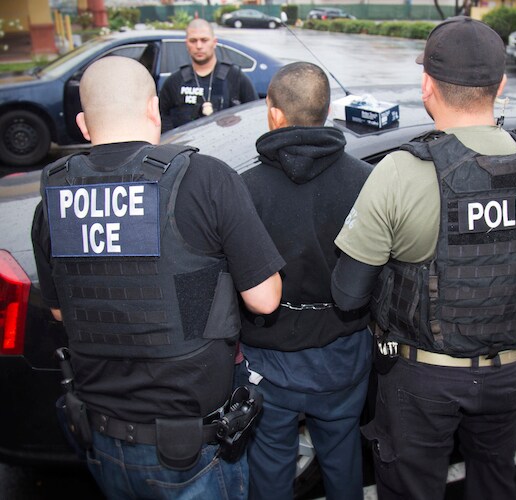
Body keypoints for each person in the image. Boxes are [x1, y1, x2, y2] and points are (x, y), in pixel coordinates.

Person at [31, 56, 284, 500]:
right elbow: (265, 299)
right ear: (154, 109)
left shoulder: (54, 199)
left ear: (83, 125)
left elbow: (60, 311)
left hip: (102, 436)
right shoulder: (205, 179)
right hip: (189, 448)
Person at [331, 17, 516, 500]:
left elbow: (348, 294)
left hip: (424, 378)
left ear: (427, 86)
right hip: (512, 370)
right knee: (496, 482)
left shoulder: (401, 171)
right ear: (501, 85)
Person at [237, 61, 373, 500]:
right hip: (344, 355)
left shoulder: (244, 190)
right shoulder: (367, 182)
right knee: (343, 460)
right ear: (327, 111)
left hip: (268, 361)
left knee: (270, 468)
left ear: (274, 113)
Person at [159, 18, 259, 132]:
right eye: (193, 41)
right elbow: (162, 119)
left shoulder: (235, 77)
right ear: (187, 44)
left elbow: (253, 115)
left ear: (214, 42)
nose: (199, 46)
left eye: (204, 40)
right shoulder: (174, 81)